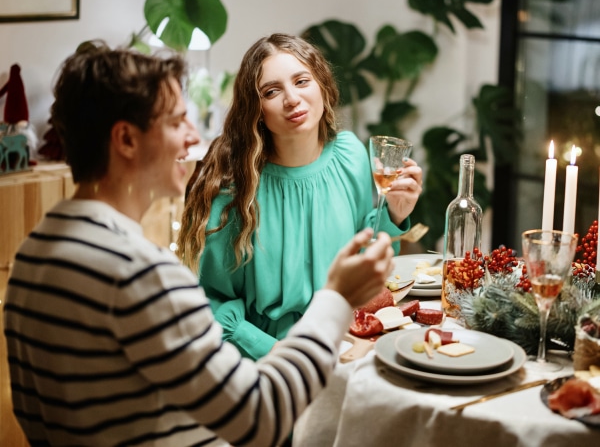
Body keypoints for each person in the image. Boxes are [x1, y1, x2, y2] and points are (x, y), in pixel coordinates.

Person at [3, 43, 395, 446]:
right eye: (176, 121)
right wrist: (334, 299)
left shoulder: (32, 254)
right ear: (126, 140)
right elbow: (261, 417)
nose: (193, 135)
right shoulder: (144, 276)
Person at [177, 33, 422, 360]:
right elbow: (208, 301)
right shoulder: (236, 186)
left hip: (350, 339)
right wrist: (275, 351)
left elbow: (368, 262)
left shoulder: (349, 153)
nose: (292, 99)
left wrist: (393, 214)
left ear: (321, 85)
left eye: (302, 81)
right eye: (271, 91)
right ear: (256, 110)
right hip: (268, 359)